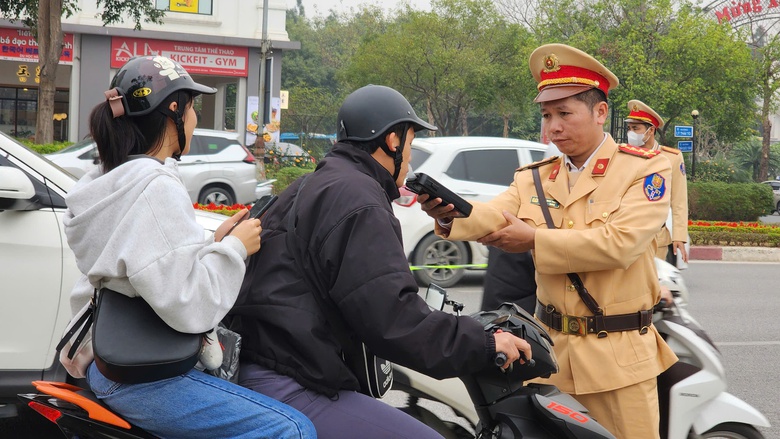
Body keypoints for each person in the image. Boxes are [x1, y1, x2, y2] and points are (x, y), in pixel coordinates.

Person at [230, 84, 532, 439]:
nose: (411, 158)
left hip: (269, 361)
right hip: (293, 380)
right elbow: (393, 319)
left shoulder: (312, 184)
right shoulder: (361, 201)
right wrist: (484, 343)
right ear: (392, 141)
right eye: (410, 142)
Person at [420, 44, 677, 438]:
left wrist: (535, 238)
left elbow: (620, 243)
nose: (551, 128)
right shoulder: (534, 177)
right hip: (549, 358)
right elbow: (496, 214)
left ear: (600, 112)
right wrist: (451, 213)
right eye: (545, 115)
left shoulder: (646, 170)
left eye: (563, 114)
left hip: (619, 364)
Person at [57, 55, 315, 439]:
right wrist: (235, 251)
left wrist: (212, 242)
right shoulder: (155, 186)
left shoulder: (111, 180)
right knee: (293, 429)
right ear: (174, 111)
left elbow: (143, 267)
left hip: (105, 360)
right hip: (143, 378)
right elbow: (191, 305)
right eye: (193, 108)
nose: (196, 119)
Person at [625, 99, 689, 264]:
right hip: (626, 234)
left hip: (657, 236)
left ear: (651, 130)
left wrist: (679, 235)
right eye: (629, 128)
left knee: (655, 285)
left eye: (636, 128)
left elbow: (679, 200)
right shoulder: (623, 156)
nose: (631, 133)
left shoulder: (671, 158)